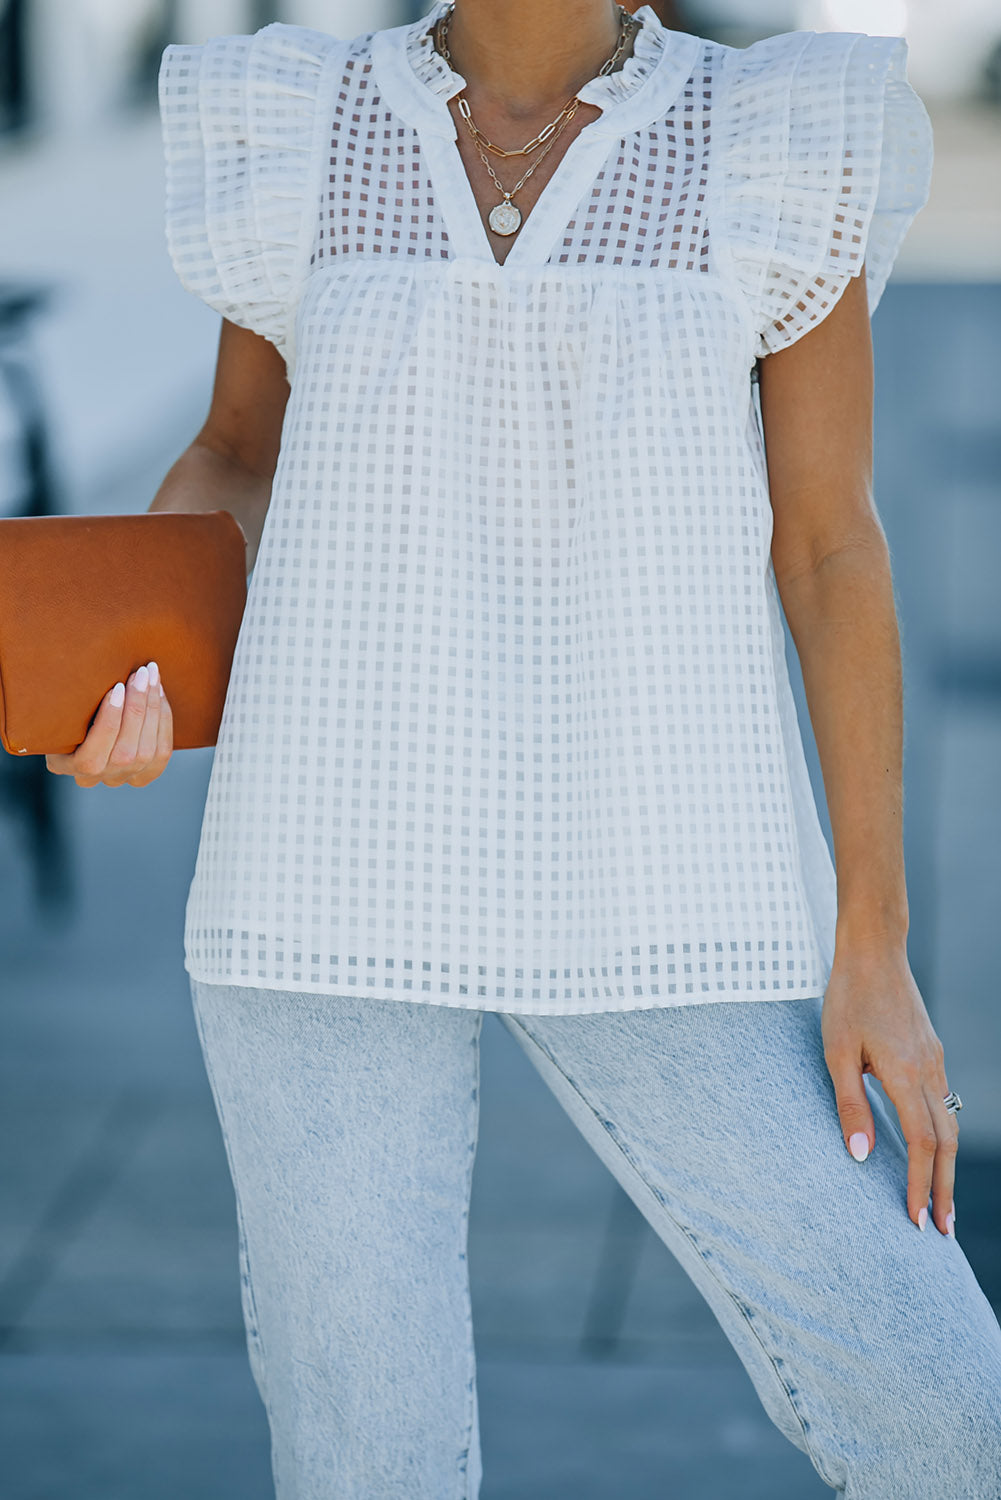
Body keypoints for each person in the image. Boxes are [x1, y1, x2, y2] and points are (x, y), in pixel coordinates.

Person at [46, 2, 1001, 1494]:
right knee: (369, 1464)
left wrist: (872, 940)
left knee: (942, 1397)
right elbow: (237, 451)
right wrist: (123, 668)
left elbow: (828, 548)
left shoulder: (772, 134)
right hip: (324, 867)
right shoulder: (304, 118)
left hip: (669, 871)